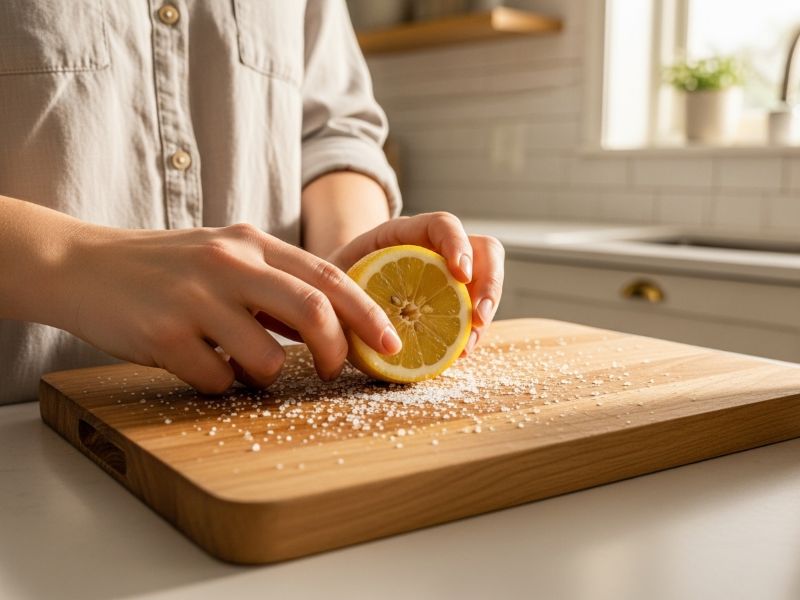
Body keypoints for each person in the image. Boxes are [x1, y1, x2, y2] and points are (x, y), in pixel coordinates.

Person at [0, 0, 504, 405]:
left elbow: (331, 132)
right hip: (21, 427)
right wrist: (76, 263)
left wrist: (348, 280)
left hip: (267, 407)